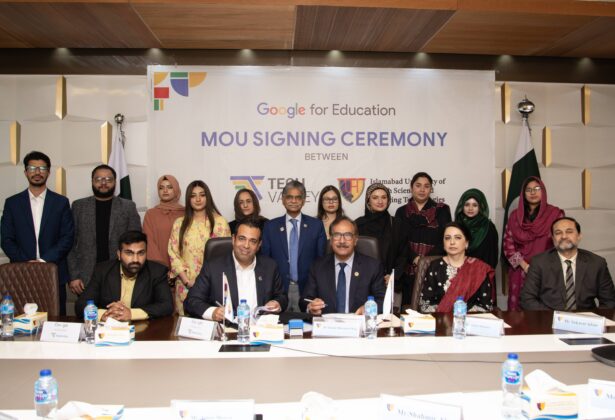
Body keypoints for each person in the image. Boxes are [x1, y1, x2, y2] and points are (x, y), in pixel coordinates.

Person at [1, 151, 74, 315]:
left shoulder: (61, 202)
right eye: (32, 168)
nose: (37, 172)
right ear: (25, 172)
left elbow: (67, 237)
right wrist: (27, 263)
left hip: (53, 272)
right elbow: (6, 239)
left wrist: (43, 261)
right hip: (20, 273)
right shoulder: (12, 203)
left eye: (42, 168)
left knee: (55, 320)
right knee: (21, 320)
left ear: (48, 172)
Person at [184, 217, 288, 320]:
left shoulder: (270, 266)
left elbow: (282, 297)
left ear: (259, 245)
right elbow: (191, 301)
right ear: (233, 239)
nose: (246, 245)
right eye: (242, 239)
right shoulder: (213, 267)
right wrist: (213, 312)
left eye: (253, 241)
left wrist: (277, 303)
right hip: (226, 328)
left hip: (260, 327)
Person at [67, 164, 142, 296]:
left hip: (120, 276)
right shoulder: (78, 206)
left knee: (118, 309)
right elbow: (70, 243)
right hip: (85, 278)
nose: (103, 183)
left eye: (108, 179)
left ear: (115, 182)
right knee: (87, 309)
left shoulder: (128, 207)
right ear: (92, 181)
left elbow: (136, 243)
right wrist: (74, 276)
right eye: (98, 179)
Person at [75, 231, 173, 321]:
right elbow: (81, 305)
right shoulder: (102, 270)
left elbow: (167, 306)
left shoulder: (157, 272)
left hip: (143, 329)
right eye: (129, 253)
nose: (135, 259)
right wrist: (104, 314)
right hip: (108, 329)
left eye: (141, 253)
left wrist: (131, 314)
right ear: (119, 254)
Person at [520, 217, 615, 310]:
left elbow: (609, 301)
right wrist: (554, 317)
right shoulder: (539, 262)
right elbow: (527, 299)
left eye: (569, 231)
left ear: (579, 236)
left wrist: (594, 319)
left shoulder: (597, 263)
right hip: (549, 317)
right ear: (553, 238)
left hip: (585, 318)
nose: (564, 236)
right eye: (558, 233)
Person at [261, 180, 327, 312]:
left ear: (303, 200)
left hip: (307, 290)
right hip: (278, 291)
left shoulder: (316, 225)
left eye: (298, 197)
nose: (294, 201)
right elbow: (265, 261)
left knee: (305, 324)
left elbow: (321, 260)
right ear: (283, 199)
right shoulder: (270, 226)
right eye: (289, 197)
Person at [168, 180, 230, 315]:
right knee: (186, 325)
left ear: (208, 197)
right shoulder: (179, 223)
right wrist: (187, 281)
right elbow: (173, 254)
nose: (198, 199)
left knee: (213, 320)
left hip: (213, 285)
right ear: (188, 199)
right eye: (193, 196)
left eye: (202, 195)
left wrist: (209, 281)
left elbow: (225, 256)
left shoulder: (220, 223)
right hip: (185, 285)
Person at [301, 216, 385, 315]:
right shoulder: (317, 266)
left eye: (348, 235)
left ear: (355, 240)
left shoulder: (372, 267)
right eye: (337, 235)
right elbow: (305, 300)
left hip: (359, 323)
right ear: (331, 240)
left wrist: (367, 309)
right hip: (327, 323)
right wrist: (310, 307)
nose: (342, 241)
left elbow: (382, 300)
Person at [503, 176, 564, 310]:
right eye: (528, 190)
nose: (533, 192)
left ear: (543, 191)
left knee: (543, 312)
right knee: (517, 313)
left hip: (546, 271)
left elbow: (561, 244)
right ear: (523, 194)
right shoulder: (515, 216)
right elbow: (508, 246)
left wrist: (539, 268)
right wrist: (525, 266)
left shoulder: (555, 214)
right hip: (519, 270)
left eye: (537, 188)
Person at [394, 172, 452, 305]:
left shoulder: (442, 211)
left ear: (431, 189)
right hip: (408, 270)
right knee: (408, 310)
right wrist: (415, 258)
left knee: (433, 310)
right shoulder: (401, 212)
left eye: (426, 186)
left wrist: (425, 260)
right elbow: (399, 241)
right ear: (411, 188)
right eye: (418, 185)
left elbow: (446, 239)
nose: (422, 190)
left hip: (434, 268)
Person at [419, 222, 495, 313]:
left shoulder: (479, 269)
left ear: (466, 243)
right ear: (443, 243)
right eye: (447, 238)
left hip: (470, 320)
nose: (452, 242)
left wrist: (461, 314)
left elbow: (486, 306)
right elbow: (424, 304)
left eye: (457, 238)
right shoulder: (434, 267)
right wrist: (443, 314)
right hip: (440, 319)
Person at [355, 183, 409, 285]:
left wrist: (394, 275)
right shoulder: (358, 224)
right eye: (375, 198)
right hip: (362, 281)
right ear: (368, 201)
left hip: (389, 282)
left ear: (388, 200)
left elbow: (403, 254)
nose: (380, 201)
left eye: (384, 197)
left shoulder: (397, 224)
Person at [142, 175, 184, 267]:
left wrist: (181, 267)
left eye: (169, 187)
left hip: (183, 265)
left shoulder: (186, 213)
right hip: (158, 265)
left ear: (176, 189)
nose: (165, 190)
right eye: (161, 188)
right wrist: (160, 266)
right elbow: (149, 241)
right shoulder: (151, 214)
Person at [454, 188, 499, 269]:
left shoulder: (488, 227)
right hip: (458, 272)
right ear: (462, 206)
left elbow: (493, 256)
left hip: (482, 272)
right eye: (467, 205)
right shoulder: (455, 226)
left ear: (481, 207)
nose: (470, 208)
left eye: (475, 205)